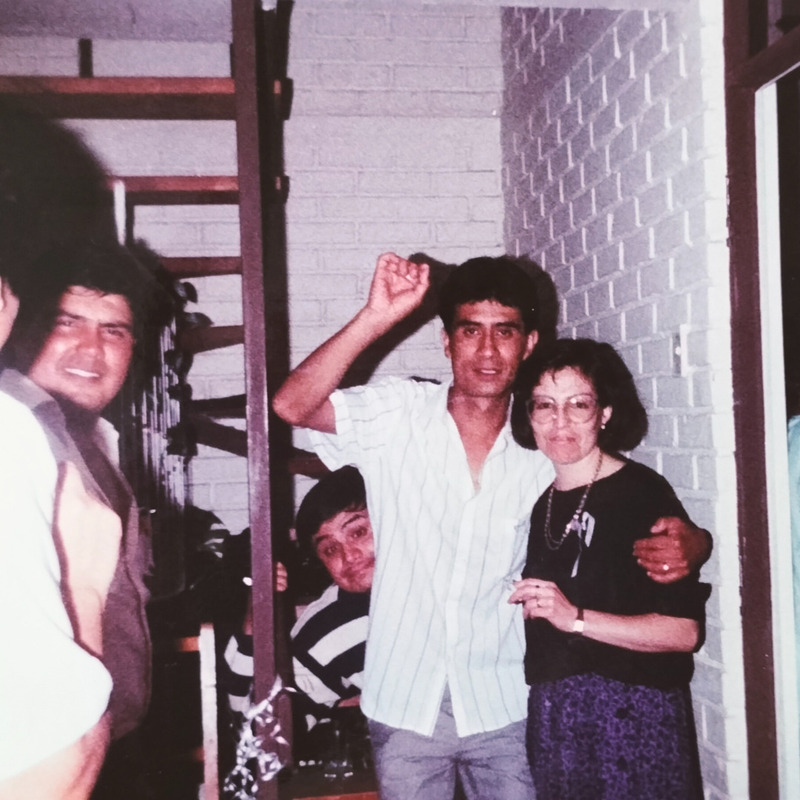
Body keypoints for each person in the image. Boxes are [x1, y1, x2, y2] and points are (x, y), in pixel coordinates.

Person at [272, 252, 711, 800]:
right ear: (446, 341)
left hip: (506, 703)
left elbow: (616, 491)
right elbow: (291, 405)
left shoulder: (543, 443)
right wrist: (375, 317)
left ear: (528, 344)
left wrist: (696, 541)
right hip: (404, 700)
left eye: (504, 332)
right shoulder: (399, 413)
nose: (486, 351)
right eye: (470, 331)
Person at [0, 239, 167, 796]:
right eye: (67, 322)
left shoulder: (93, 439)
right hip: (48, 757)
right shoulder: (17, 442)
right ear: (21, 325)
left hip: (98, 745)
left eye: (113, 330)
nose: (91, 349)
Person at [508, 338, 708, 799]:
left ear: (605, 413)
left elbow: (683, 631)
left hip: (632, 716)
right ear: (529, 415)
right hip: (558, 713)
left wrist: (574, 618)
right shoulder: (542, 503)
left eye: (578, 405)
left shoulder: (641, 494)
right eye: (545, 405)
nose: (560, 422)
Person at [224, 466, 373, 725]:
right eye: (330, 549)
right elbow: (251, 719)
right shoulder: (326, 630)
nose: (349, 555)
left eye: (358, 532)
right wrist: (256, 618)